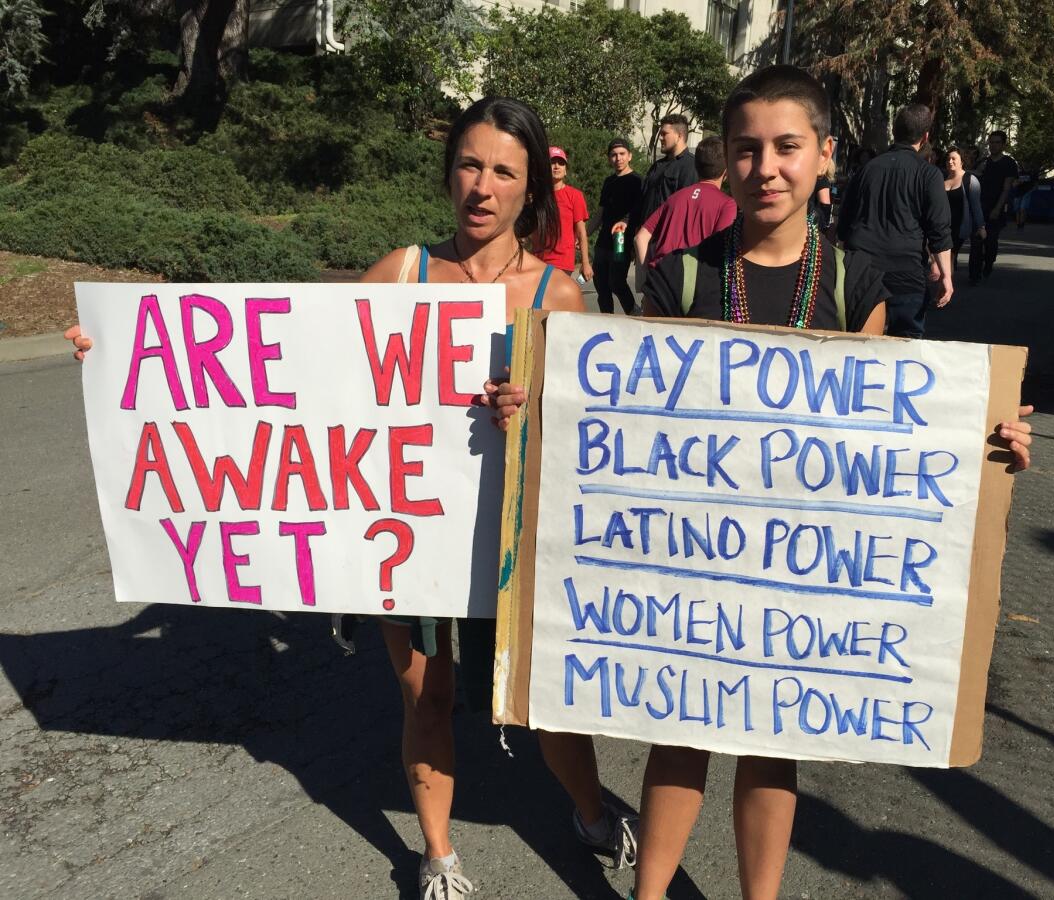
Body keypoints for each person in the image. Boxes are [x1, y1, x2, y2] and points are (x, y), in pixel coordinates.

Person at [67, 96, 638, 900]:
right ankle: (438, 855)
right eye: (469, 164)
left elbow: (589, 441)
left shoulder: (561, 295)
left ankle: (588, 811)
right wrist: (121, 357)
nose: (482, 185)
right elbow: (293, 380)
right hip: (409, 538)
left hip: (509, 540)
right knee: (425, 697)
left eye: (503, 171)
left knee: (540, 706)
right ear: (449, 174)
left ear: (529, 191)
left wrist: (531, 412)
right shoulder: (399, 272)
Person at [497, 63, 1030, 900]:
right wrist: (539, 406)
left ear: (824, 157)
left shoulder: (855, 287)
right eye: (746, 149)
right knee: (677, 730)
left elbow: (893, 429)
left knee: (770, 737)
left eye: (787, 147)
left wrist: (986, 440)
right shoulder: (679, 277)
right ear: (727, 160)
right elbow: (624, 411)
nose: (765, 167)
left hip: (798, 566)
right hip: (688, 554)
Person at [836, 102, 954, 338]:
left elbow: (845, 221)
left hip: (862, 268)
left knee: (859, 341)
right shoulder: (928, 173)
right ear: (925, 136)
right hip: (905, 270)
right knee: (906, 343)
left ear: (894, 131)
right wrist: (946, 276)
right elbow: (939, 229)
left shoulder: (867, 169)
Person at [632, 135, 736, 268]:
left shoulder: (674, 198)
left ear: (696, 167)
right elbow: (722, 249)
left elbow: (640, 238)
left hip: (661, 279)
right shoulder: (727, 204)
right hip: (695, 282)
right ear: (726, 172)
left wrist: (648, 276)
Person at [592, 138, 643, 316]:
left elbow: (640, 213)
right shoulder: (608, 182)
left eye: (622, 154)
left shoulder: (637, 181)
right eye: (614, 155)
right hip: (603, 240)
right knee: (600, 283)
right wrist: (584, 234)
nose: (618, 158)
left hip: (622, 240)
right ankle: (606, 320)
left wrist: (637, 246)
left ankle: (636, 315)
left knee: (616, 281)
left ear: (630, 156)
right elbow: (600, 212)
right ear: (609, 158)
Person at [635, 114, 699, 235]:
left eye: (664, 133)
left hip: (667, 243)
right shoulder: (657, 166)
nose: (660, 138)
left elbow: (686, 210)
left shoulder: (691, 167)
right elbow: (643, 199)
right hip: (644, 240)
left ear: (679, 135)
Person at [536, 146, 592, 282]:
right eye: (552, 162)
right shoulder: (537, 196)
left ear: (565, 170)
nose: (556, 166)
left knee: (555, 300)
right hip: (538, 259)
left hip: (562, 260)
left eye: (561, 163)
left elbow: (581, 232)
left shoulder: (575, 195)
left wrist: (585, 263)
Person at [976, 131, 1019, 277]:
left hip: (997, 206)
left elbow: (1006, 188)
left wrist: (997, 208)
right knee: (977, 239)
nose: (993, 145)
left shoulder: (1009, 163)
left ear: (1003, 144)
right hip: (979, 205)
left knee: (991, 239)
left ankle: (988, 262)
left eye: (997, 142)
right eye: (991, 142)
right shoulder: (983, 162)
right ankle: (975, 271)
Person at [944, 146, 986, 282]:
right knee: (943, 258)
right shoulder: (941, 179)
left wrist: (981, 227)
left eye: (953, 158)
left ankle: (945, 288)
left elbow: (976, 206)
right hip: (941, 226)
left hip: (958, 226)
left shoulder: (970, 180)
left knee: (949, 255)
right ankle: (945, 285)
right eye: (948, 159)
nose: (950, 161)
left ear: (962, 161)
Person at [812, 153, 835, 231]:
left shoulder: (812, 178)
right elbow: (825, 205)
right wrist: (827, 225)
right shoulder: (822, 180)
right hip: (815, 224)